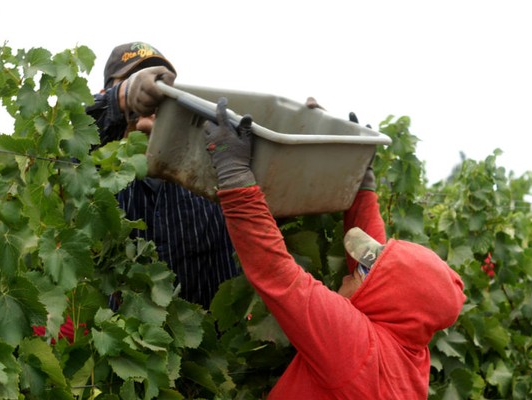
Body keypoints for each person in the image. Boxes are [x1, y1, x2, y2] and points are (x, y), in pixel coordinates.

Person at [203, 98, 466, 398]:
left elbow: (278, 275)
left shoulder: (357, 350)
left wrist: (234, 173)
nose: (350, 272)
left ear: (386, 300)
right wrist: (362, 183)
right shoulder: (411, 353)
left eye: (365, 274)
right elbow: (379, 271)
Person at [85, 42, 239, 309]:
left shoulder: (209, 168)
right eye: (142, 83)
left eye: (162, 85)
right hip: (126, 348)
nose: (155, 95)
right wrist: (122, 97)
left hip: (216, 343)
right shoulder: (90, 171)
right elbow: (63, 138)